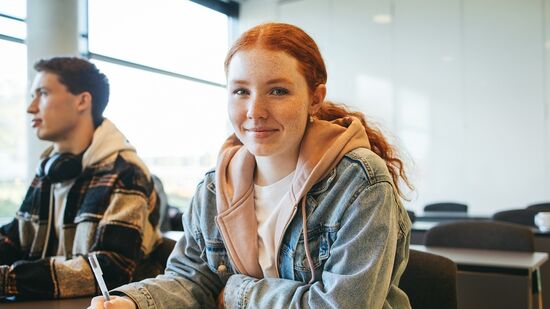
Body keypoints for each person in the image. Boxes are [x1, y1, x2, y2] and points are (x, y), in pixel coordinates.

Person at [91, 22, 413, 308]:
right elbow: (193, 280)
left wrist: (237, 293)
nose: (254, 111)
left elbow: (341, 305)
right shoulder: (215, 187)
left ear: (315, 98)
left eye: (278, 91)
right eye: (241, 91)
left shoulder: (360, 183)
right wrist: (132, 302)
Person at [0, 57, 163, 299]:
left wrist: (7, 280)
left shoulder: (127, 173)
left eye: (42, 93)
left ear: (82, 101)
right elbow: (14, 238)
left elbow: (110, 269)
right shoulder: (49, 171)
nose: (31, 107)